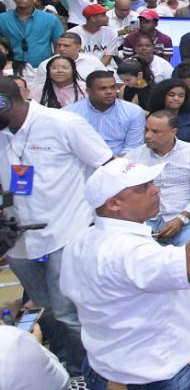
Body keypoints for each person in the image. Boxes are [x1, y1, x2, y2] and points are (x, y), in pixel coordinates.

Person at [60, 156, 190, 390]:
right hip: (154, 377)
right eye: (142, 188)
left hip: (103, 368)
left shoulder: (81, 240)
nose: (155, 190)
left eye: (152, 182)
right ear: (114, 203)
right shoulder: (127, 250)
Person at [0, 77, 113, 377]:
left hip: (68, 228)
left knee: (68, 311)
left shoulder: (64, 124)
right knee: (44, 308)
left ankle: (86, 373)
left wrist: (103, 223)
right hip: (17, 236)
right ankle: (61, 364)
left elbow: (106, 165)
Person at [126, 110, 190, 246]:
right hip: (144, 221)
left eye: (155, 131)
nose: (147, 136)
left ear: (172, 132)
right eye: (146, 130)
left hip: (184, 219)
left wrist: (181, 218)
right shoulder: (133, 158)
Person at [66, 70, 147, 156]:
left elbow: (133, 147)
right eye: (102, 88)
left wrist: (114, 165)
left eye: (113, 87)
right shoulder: (69, 114)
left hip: (121, 162)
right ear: (88, 91)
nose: (109, 92)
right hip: (82, 162)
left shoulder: (134, 112)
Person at [0, 0, 63, 69]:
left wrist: (55, 65)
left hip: (42, 68)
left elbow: (59, 44)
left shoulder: (51, 19)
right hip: (10, 68)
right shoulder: (2, 19)